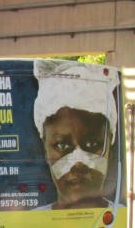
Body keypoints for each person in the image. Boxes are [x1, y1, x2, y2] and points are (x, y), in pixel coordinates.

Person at [33, 60, 119, 210]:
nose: (78, 164)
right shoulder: (33, 220)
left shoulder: (120, 217)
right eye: (62, 145)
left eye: (92, 145)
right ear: (45, 148)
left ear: (110, 144)